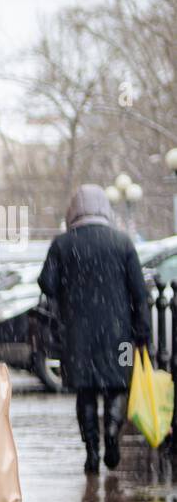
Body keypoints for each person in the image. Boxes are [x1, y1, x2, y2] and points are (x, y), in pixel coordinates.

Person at [37, 185, 151, 473]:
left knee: (84, 392)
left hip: (77, 335)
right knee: (118, 386)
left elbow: (46, 284)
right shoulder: (122, 242)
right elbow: (139, 292)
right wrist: (142, 333)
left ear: (72, 210)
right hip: (119, 334)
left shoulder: (62, 244)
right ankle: (112, 433)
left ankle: (91, 451)